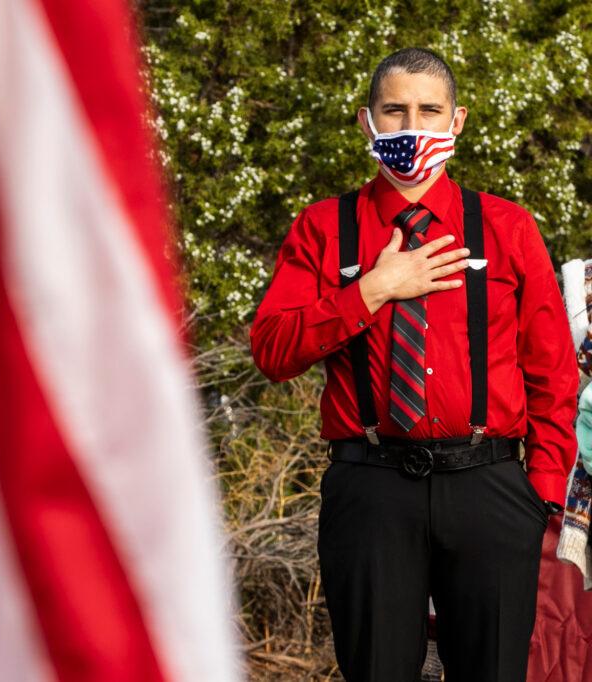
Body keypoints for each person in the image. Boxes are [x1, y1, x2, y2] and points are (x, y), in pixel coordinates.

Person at [249, 47, 577, 681]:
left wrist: (540, 492)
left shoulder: (506, 227)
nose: (411, 127)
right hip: (371, 489)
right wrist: (371, 290)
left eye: (429, 111)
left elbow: (552, 372)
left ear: (456, 123)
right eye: (394, 111)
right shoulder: (323, 228)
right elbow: (273, 351)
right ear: (367, 122)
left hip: (491, 487)